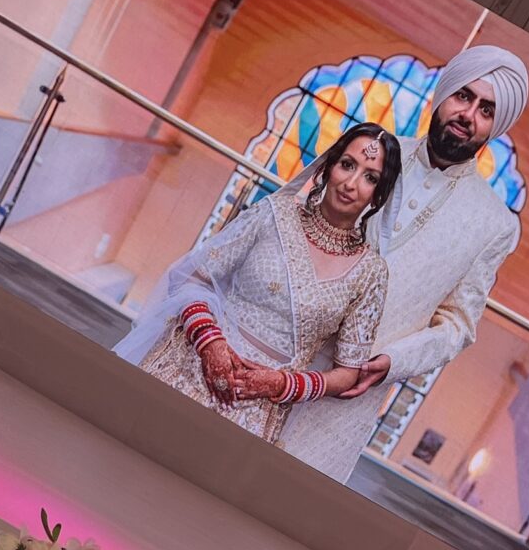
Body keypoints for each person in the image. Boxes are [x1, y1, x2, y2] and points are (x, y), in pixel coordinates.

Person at [273, 45, 529, 479]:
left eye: (486, 110)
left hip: (350, 397)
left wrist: (394, 362)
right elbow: (297, 223)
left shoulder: (493, 223)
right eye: (463, 96)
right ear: (444, 94)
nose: (468, 114)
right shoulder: (371, 154)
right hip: (283, 344)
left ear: (494, 126)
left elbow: (458, 324)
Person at [116, 123, 397, 446]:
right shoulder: (273, 214)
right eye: (347, 165)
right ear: (329, 166)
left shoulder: (370, 273)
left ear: (379, 195)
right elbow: (192, 277)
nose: (351, 183)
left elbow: (347, 373)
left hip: (257, 408)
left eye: (370, 177)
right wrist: (210, 343)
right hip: (188, 364)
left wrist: (281, 384)